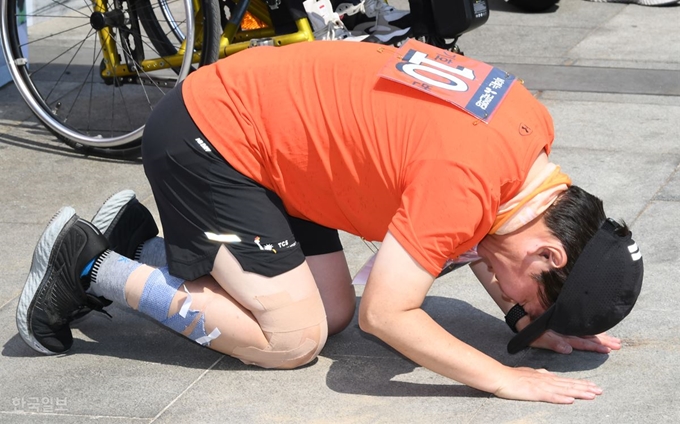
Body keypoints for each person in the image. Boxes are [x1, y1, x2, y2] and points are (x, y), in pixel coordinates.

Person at [16, 40, 643, 404]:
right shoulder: (466, 180)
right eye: (532, 300)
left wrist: (524, 320)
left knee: (332, 311)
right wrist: (503, 379)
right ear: (549, 255)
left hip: (271, 140)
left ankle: (142, 243)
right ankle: (87, 264)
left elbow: (485, 237)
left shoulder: (527, 144)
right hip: (211, 135)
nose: (516, 302)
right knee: (291, 341)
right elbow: (389, 315)